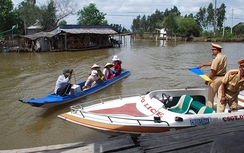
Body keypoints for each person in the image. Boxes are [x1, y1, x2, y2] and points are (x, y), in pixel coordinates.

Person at [199, 43, 227, 109]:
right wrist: (203, 65)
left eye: (213, 50)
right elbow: (213, 62)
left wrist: (207, 80)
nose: (212, 52)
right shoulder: (223, 56)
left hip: (216, 79)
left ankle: (209, 110)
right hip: (223, 78)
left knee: (210, 96)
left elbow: (213, 72)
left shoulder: (217, 58)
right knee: (220, 95)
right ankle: (220, 110)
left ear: (217, 50)